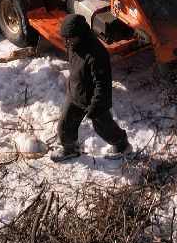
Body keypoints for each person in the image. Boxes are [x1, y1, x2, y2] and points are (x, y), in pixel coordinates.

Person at [51, 13, 130, 162]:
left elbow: (103, 84)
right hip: (75, 94)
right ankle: (69, 149)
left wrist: (96, 105)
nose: (68, 41)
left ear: (81, 34)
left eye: (71, 37)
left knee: (104, 128)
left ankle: (121, 145)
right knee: (64, 127)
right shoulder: (73, 43)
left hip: (93, 100)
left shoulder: (97, 54)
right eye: (66, 37)